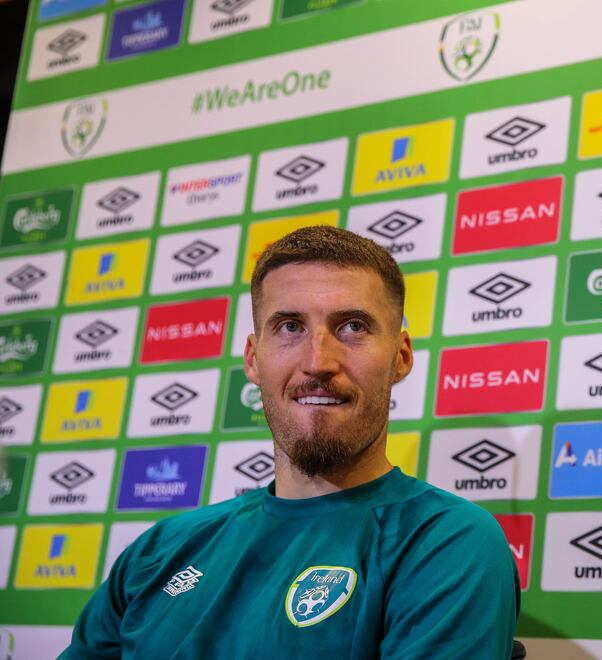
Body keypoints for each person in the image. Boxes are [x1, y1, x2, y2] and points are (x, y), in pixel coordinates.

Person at [61, 226, 521, 659]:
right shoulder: (160, 550)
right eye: (289, 327)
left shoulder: (446, 542)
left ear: (400, 357)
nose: (319, 361)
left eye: (353, 327)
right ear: (253, 358)